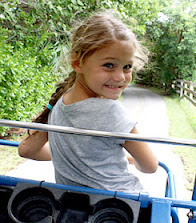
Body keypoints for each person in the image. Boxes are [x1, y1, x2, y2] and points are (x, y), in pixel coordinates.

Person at [18, 11, 158, 193]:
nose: (120, 77)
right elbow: (150, 166)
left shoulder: (60, 103)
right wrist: (133, 163)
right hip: (120, 205)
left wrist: (73, 159)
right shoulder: (110, 111)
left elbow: (27, 150)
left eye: (127, 67)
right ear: (77, 64)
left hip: (73, 204)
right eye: (109, 65)